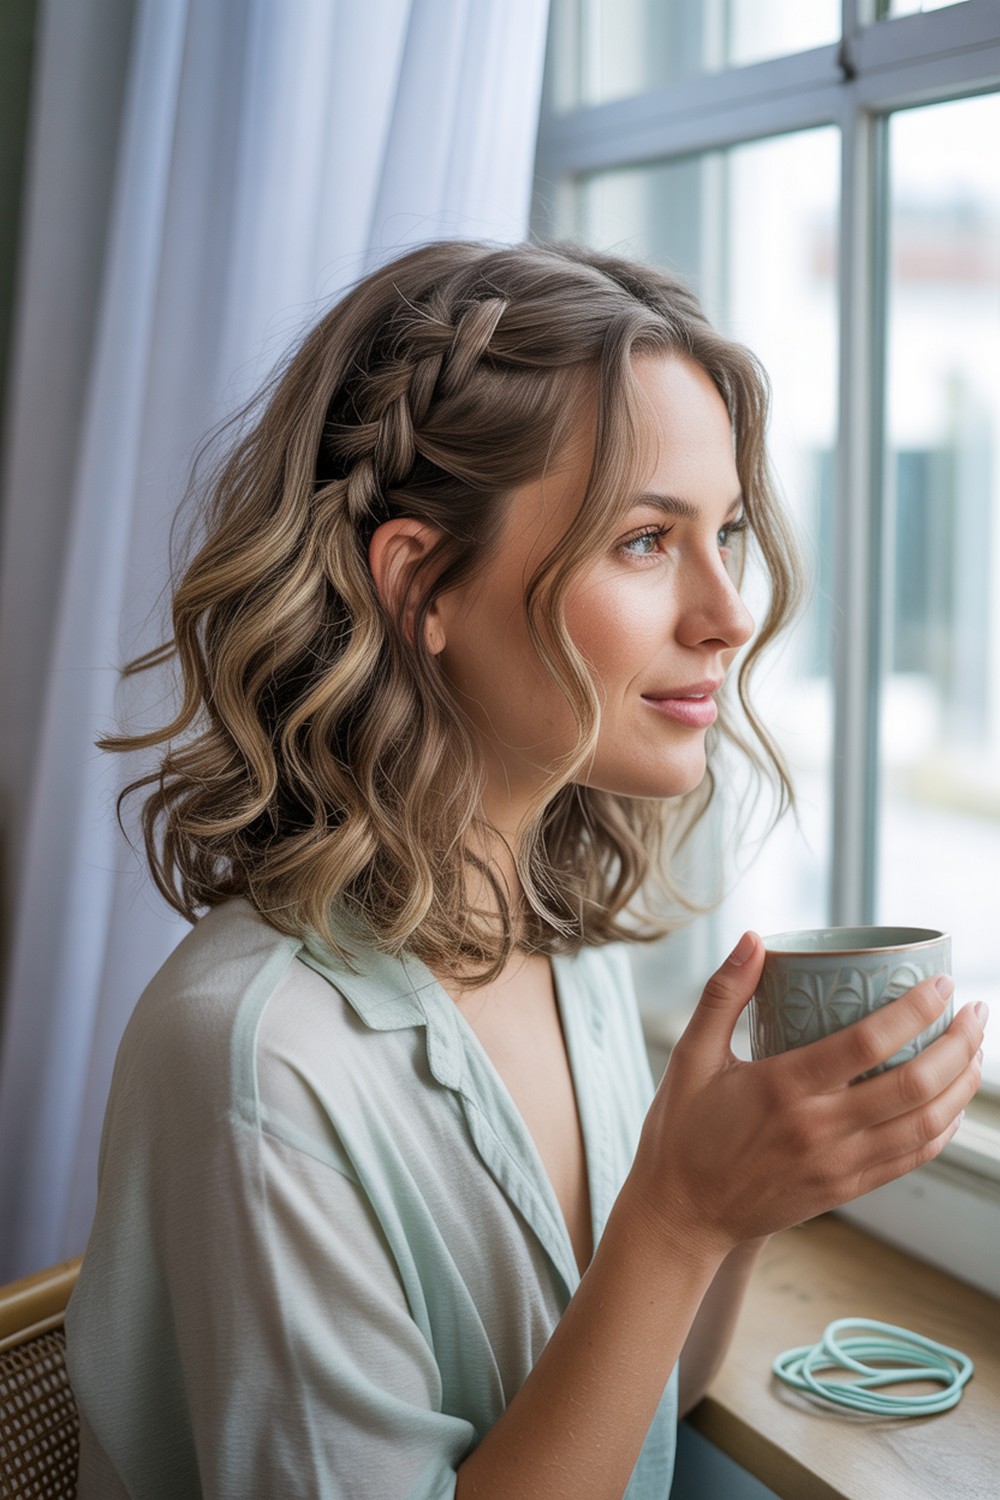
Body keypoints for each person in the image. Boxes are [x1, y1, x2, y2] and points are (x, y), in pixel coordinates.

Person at [64, 240, 985, 1500]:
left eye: (723, 533)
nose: (730, 612)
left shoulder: (558, 947)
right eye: (647, 541)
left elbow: (641, 1408)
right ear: (420, 582)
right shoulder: (260, 1065)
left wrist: (746, 1194)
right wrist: (678, 1216)